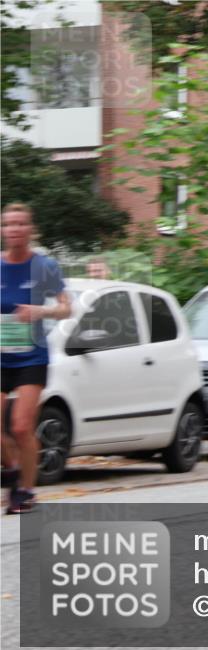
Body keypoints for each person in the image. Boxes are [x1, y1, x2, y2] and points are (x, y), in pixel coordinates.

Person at [0, 203, 71, 514]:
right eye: (8, 224)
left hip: (32, 357)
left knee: (20, 426)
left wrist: (39, 311)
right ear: (3, 231)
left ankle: (26, 491)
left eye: (20, 224)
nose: (14, 229)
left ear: (30, 230)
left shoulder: (45, 266)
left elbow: (67, 307)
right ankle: (13, 468)